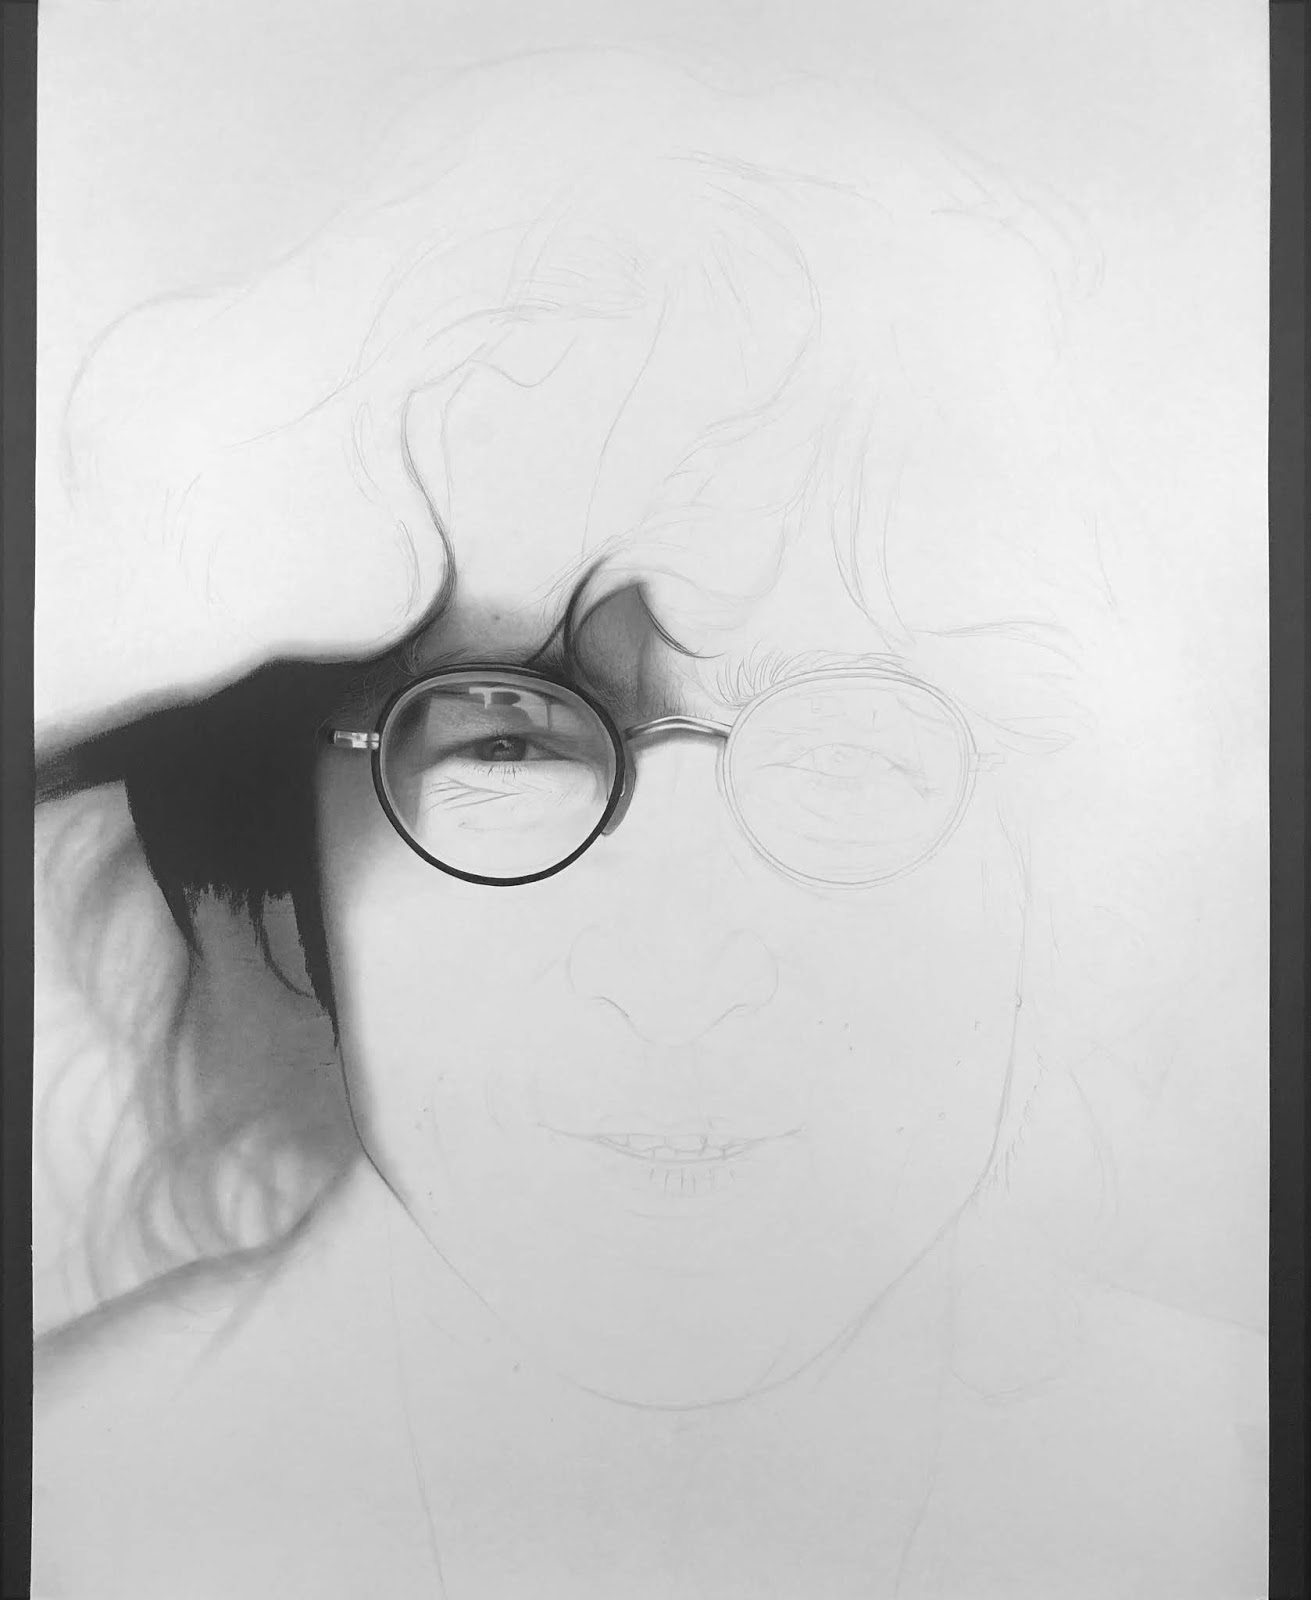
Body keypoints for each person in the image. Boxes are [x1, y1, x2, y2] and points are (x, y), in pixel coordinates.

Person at [32, 46, 1265, 1600]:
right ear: (292, 873)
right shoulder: (77, 1489)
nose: (681, 973)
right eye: (506, 740)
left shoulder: (1227, 1484)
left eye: (854, 750)